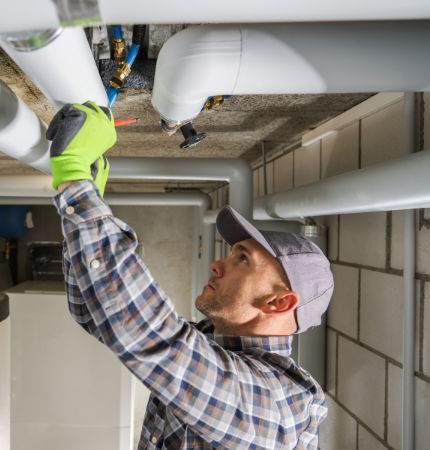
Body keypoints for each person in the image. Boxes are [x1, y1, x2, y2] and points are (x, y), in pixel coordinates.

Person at [46, 101, 334, 449]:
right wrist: (86, 199)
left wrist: (77, 182)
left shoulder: (283, 403)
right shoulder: (212, 346)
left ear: (279, 302)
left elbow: (154, 339)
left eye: (242, 259)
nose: (217, 264)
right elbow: (97, 313)